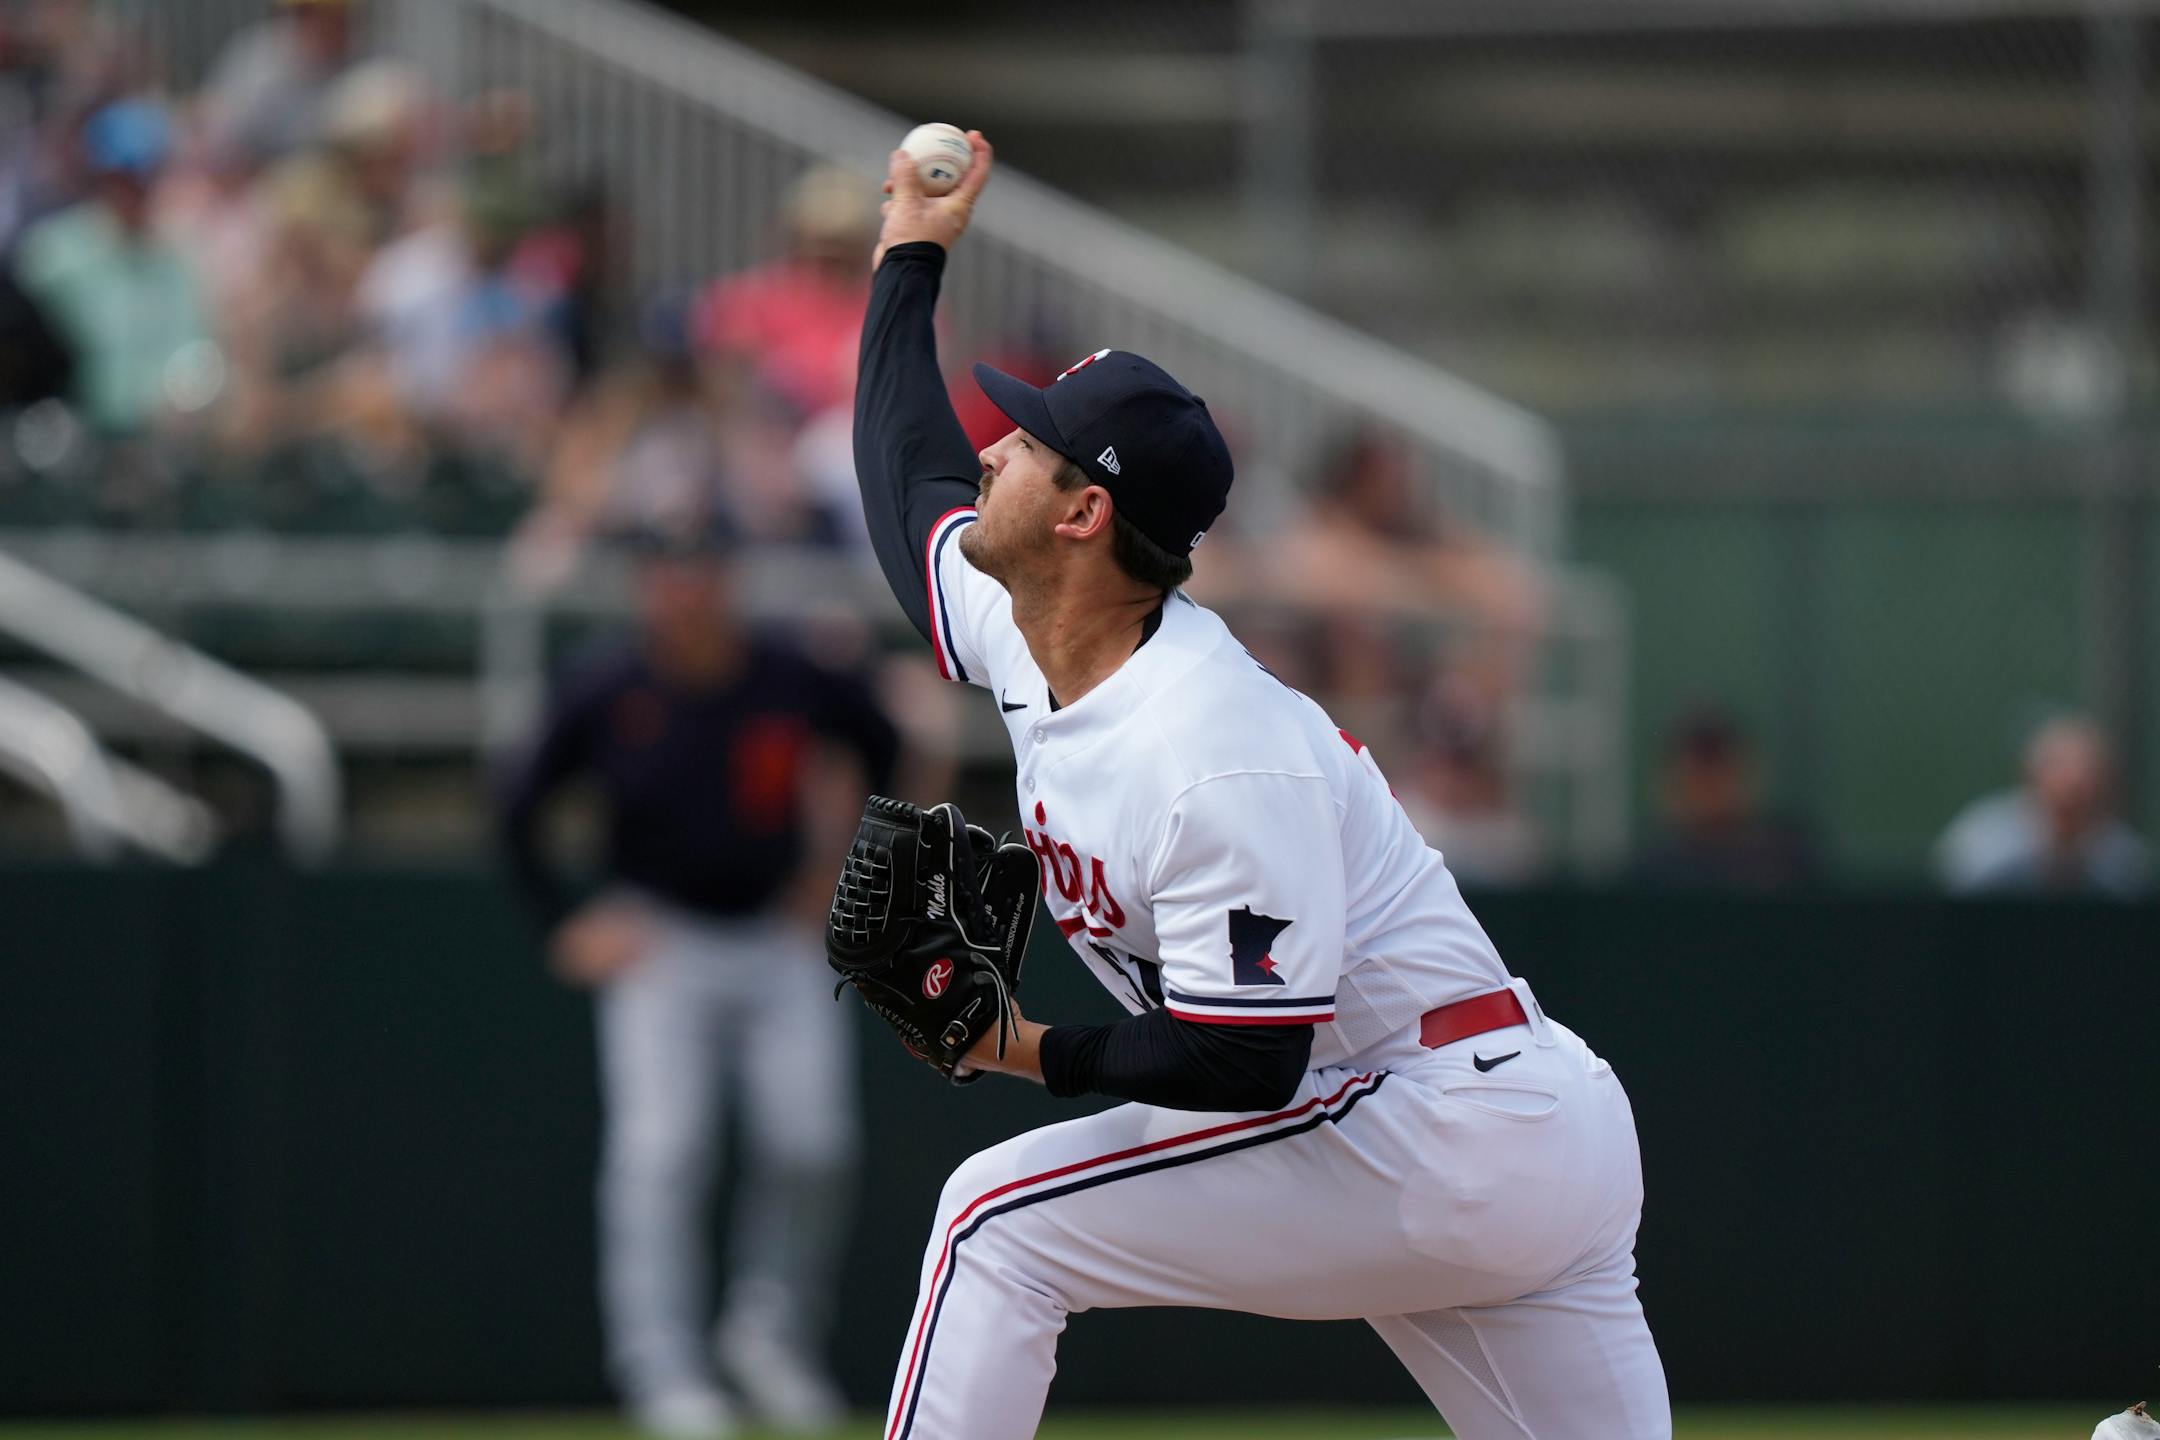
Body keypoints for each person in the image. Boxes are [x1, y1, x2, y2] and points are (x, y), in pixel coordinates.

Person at [850, 132, 1669, 1440]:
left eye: (1031, 440)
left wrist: (1019, 1049)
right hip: (1494, 1121)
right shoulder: (1035, 631)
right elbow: (910, 489)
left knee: (994, 1226)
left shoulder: (1212, 748)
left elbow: (1246, 1061)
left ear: (1083, 520)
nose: (992, 446)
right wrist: (911, 249)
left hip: (1432, 1125)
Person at [494, 526, 902, 1439]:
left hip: (776, 935)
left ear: (729, 581)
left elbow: (882, 742)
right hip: (661, 940)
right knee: (661, 1154)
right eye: (667, 576)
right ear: (644, 588)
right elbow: (517, 804)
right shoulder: (605, 685)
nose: (685, 593)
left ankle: (772, 1335)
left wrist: (840, 864)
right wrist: (562, 923)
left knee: (814, 1143)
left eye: (702, 572)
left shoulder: (790, 672)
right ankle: (662, 1369)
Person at [1936, 715, 2152, 898]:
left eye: (2085, 781)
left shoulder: (2124, 863)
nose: (2071, 786)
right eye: (2058, 768)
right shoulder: (1982, 843)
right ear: (2030, 777)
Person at [1630, 707, 1817, 891]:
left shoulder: (1788, 863)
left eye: (1718, 768)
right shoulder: (1649, 876)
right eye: (1696, 773)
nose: (1708, 785)